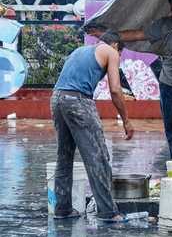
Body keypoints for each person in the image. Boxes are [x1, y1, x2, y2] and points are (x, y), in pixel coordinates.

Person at [89, 0, 172, 174]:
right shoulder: (164, 25)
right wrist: (107, 34)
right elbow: (137, 34)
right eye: (171, 9)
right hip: (171, 86)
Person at [51, 31, 134, 222]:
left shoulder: (80, 50)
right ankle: (108, 212)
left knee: (64, 157)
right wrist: (127, 121)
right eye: (120, 54)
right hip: (78, 101)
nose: (118, 58)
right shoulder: (111, 52)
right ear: (115, 45)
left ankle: (62, 209)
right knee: (98, 157)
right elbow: (115, 89)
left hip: (57, 98)